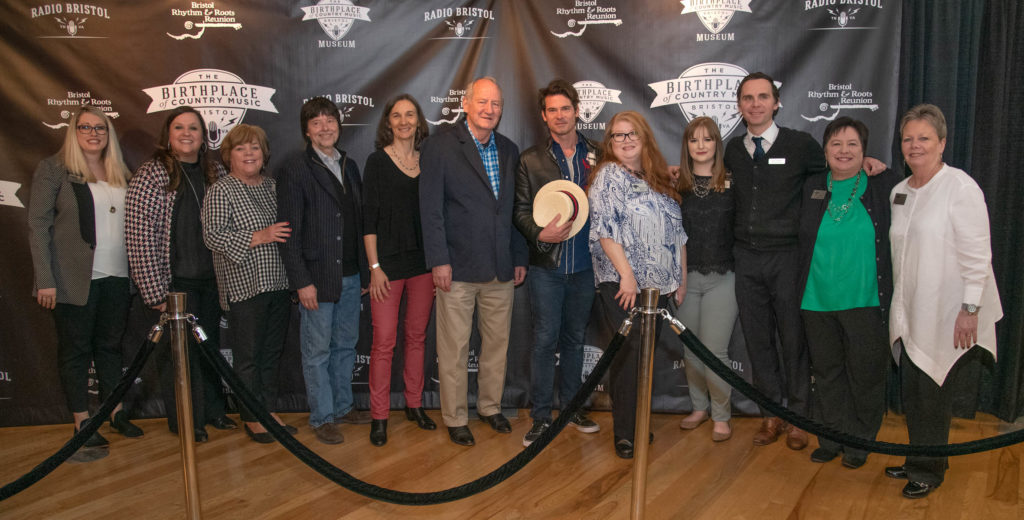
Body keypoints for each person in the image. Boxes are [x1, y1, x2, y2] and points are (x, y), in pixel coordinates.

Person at [885, 104, 1002, 499]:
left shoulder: (960, 188)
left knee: (933, 391)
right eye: (908, 139)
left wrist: (970, 310)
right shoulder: (899, 192)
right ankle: (919, 457)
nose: (915, 145)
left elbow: (977, 255)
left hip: (947, 312)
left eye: (924, 138)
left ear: (942, 143)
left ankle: (929, 470)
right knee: (914, 391)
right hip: (910, 310)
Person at [419, 76, 527, 446]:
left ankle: (490, 407)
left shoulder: (509, 149)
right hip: (457, 267)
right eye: (482, 102)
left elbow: (513, 209)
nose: (489, 109)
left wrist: (519, 255)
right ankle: (455, 416)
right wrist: (438, 260)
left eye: (495, 104)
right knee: (454, 348)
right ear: (465, 104)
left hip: (501, 266)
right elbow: (430, 210)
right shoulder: (440, 146)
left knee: (497, 345)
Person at [28, 105, 141, 447]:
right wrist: (45, 279)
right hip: (72, 278)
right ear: (73, 132)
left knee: (110, 347)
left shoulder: (122, 171)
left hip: (118, 276)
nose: (94, 134)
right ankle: (82, 421)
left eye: (100, 128)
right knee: (76, 350)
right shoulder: (54, 169)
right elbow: (38, 225)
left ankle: (115, 411)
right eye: (86, 127)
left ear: (109, 134)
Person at [125, 106, 236, 443]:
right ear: (168, 135)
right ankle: (187, 420)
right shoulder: (151, 174)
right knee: (180, 356)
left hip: (212, 279)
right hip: (175, 283)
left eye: (193, 128)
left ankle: (214, 410)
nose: (187, 133)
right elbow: (139, 236)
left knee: (209, 349)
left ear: (204, 136)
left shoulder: (215, 170)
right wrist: (154, 291)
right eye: (179, 127)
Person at [796, 117, 901, 468]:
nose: (844, 151)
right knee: (827, 375)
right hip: (816, 301)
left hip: (865, 301)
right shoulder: (810, 186)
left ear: (864, 151)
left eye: (852, 144)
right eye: (836, 144)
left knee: (865, 375)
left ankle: (859, 442)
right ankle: (830, 438)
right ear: (825, 150)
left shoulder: (883, 184)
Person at [588, 111, 687, 459]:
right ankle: (625, 434)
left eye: (633, 134)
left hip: (658, 289)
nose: (626, 140)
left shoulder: (657, 179)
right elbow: (604, 230)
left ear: (645, 138)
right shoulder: (608, 176)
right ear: (610, 143)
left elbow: (677, 232)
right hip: (622, 286)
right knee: (629, 358)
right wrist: (627, 276)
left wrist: (680, 278)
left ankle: (639, 422)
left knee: (645, 358)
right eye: (618, 135)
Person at [277, 97, 371, 445]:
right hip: (316, 279)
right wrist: (301, 281)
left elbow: (358, 222)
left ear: (338, 125)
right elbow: (289, 233)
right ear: (306, 131)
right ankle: (322, 416)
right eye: (316, 122)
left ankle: (343, 406)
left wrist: (364, 272)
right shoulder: (295, 168)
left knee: (345, 345)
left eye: (329, 120)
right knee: (317, 352)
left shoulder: (349, 165)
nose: (324, 127)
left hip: (351, 275)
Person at [513, 79, 602, 447]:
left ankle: (572, 408)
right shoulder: (530, 159)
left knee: (576, 340)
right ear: (543, 116)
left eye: (566, 108)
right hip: (546, 268)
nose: (560, 115)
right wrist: (539, 233)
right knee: (544, 341)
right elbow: (520, 210)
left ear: (577, 111)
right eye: (553, 110)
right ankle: (540, 417)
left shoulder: (599, 153)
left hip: (586, 266)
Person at [202, 124, 297, 443]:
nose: (249, 154)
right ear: (229, 155)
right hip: (244, 287)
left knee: (271, 354)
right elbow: (212, 236)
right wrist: (259, 236)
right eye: (241, 148)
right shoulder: (221, 190)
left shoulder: (273, 187)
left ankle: (268, 411)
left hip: (279, 283)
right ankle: (251, 417)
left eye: (255, 147)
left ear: (264, 153)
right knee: (248, 357)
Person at [362, 94, 436, 446]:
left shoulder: (429, 161)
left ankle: (414, 404)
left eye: (410, 114)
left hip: (423, 265)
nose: (404, 121)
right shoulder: (377, 162)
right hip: (387, 268)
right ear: (388, 122)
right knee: (384, 342)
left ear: (419, 121)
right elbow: (369, 220)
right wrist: (374, 267)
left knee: (417, 338)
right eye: (396, 115)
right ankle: (379, 416)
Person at [673, 116, 737, 443]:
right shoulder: (676, 186)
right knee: (691, 351)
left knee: (715, 351)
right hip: (685, 279)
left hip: (723, 277)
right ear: (686, 145)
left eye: (707, 139)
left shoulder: (732, 182)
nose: (700, 145)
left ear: (717, 144)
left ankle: (721, 416)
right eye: (694, 139)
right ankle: (699, 408)